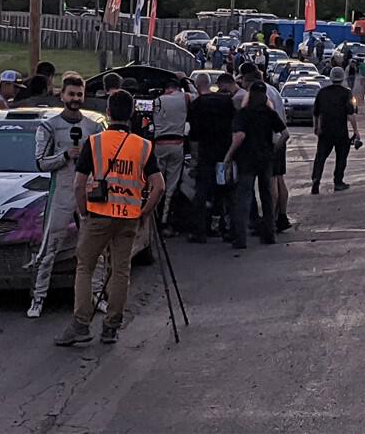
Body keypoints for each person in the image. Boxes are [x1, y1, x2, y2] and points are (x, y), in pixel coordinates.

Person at [55, 90, 165, 346]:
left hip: (98, 214)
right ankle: (111, 327)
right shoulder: (143, 146)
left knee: (85, 266)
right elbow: (158, 186)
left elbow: (78, 184)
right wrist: (143, 213)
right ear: (131, 115)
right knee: (120, 271)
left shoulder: (94, 143)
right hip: (128, 217)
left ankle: (81, 324)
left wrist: (83, 212)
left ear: (108, 113)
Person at [29, 73, 106, 318]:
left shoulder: (93, 127)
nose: (75, 99)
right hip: (62, 192)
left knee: (96, 249)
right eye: (71, 94)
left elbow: (102, 163)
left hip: (88, 192)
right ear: (62, 96)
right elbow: (40, 163)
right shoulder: (49, 126)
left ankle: (97, 295)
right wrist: (64, 156)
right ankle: (38, 298)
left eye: (79, 95)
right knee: (49, 246)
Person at [223, 81, 289, 248]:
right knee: (266, 196)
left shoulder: (243, 113)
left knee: (244, 198)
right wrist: (274, 150)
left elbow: (240, 136)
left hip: (246, 160)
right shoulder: (269, 113)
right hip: (266, 159)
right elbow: (285, 134)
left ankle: (241, 238)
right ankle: (269, 234)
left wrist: (229, 156)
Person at [187, 73, 235, 243]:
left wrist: (194, 161)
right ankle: (225, 227)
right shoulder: (226, 101)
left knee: (201, 191)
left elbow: (193, 137)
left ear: (197, 85)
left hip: (206, 155)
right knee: (224, 190)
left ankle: (200, 231)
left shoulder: (196, 105)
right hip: (224, 155)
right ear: (210, 84)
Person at [311, 67, 360, 194]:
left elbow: (316, 113)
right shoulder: (346, 93)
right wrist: (356, 131)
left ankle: (316, 179)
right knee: (341, 157)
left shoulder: (322, 92)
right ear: (343, 77)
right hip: (340, 131)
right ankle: (338, 182)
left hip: (325, 130)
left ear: (331, 77)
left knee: (320, 157)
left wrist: (316, 127)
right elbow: (350, 115)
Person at [152, 77, 189, 237]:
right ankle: (166, 222)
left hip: (159, 144)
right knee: (171, 185)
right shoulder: (184, 98)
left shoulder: (158, 100)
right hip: (177, 143)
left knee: (157, 183)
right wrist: (185, 81)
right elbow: (197, 94)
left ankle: (154, 218)